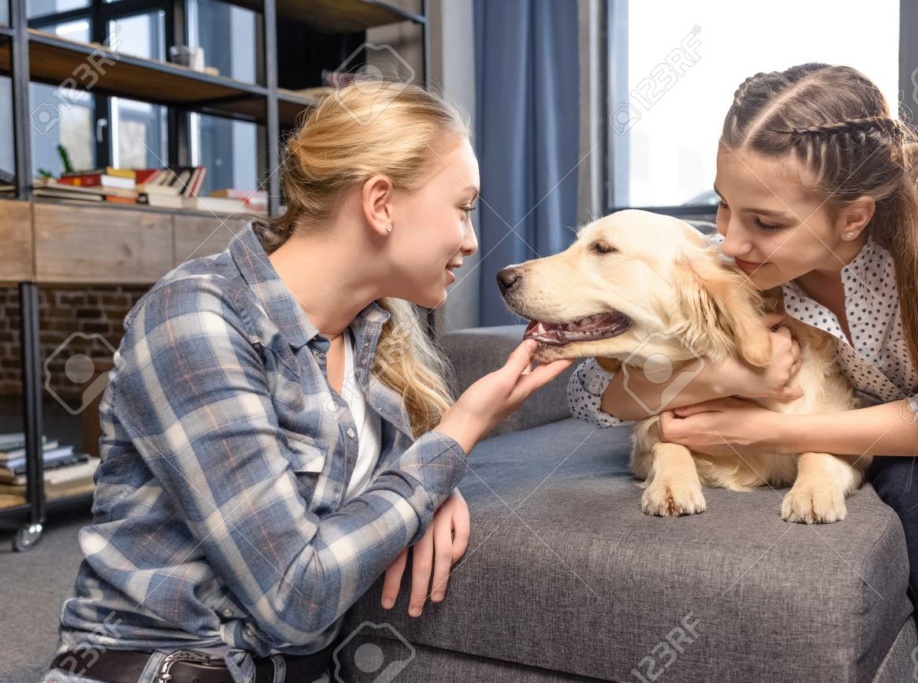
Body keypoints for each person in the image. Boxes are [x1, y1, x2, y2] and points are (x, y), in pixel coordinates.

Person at [42, 82, 572, 683]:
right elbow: (296, 598)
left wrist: (432, 479)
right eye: (463, 206)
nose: (473, 239)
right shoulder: (195, 320)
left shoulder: (373, 333)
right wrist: (455, 438)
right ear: (380, 203)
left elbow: (382, 499)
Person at [568, 63, 918, 682]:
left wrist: (765, 431)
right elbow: (590, 392)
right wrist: (730, 381)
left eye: (765, 222)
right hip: (902, 443)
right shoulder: (744, 262)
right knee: (913, 501)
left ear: (854, 218)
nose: (728, 240)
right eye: (723, 206)